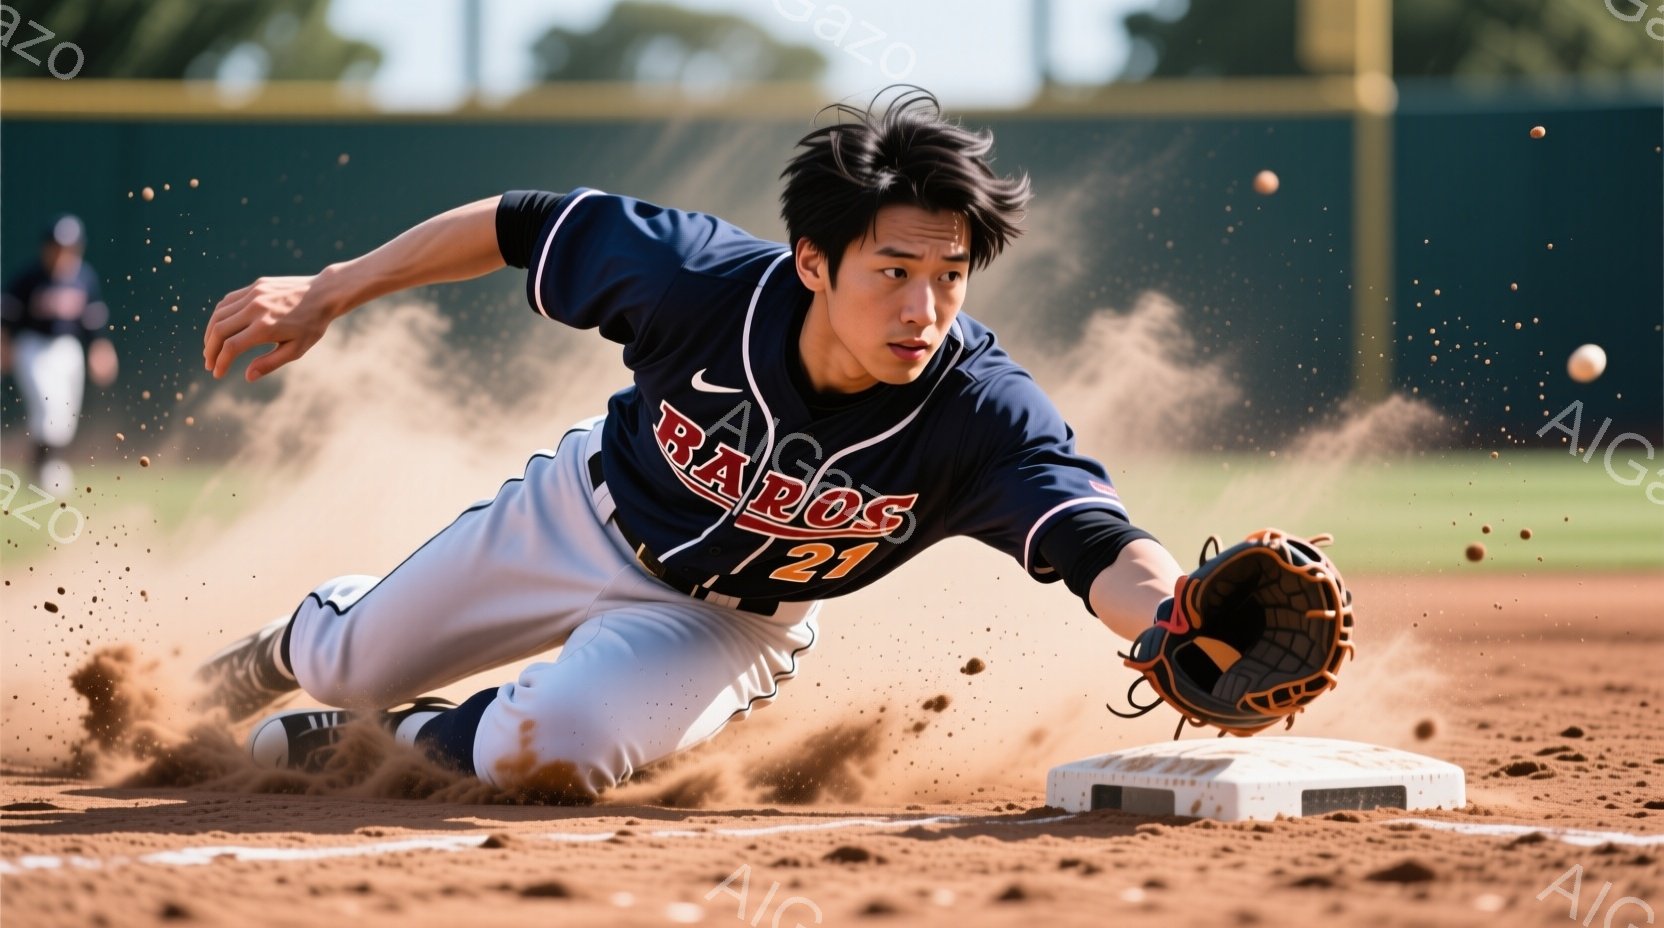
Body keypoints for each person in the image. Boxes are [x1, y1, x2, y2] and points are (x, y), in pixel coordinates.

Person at [196, 89, 1186, 798]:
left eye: (949, 275)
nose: (921, 308)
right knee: (348, 661)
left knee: (549, 753)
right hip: (579, 518)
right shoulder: (698, 283)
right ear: (812, 260)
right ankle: (304, 642)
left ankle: (401, 737)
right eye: (891, 270)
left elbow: (1093, 539)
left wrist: (1170, 620)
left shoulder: (978, 409)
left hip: (727, 624)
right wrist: (329, 289)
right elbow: (520, 224)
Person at [1, 214, 118, 492]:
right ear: (46, 248)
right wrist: (4, 347)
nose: (62, 254)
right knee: (49, 408)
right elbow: (6, 320)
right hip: (33, 347)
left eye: (69, 248)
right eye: (57, 247)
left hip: (68, 350)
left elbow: (94, 324)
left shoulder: (84, 277)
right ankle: (49, 470)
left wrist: (101, 350)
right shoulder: (30, 277)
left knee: (64, 416)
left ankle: (38, 468)